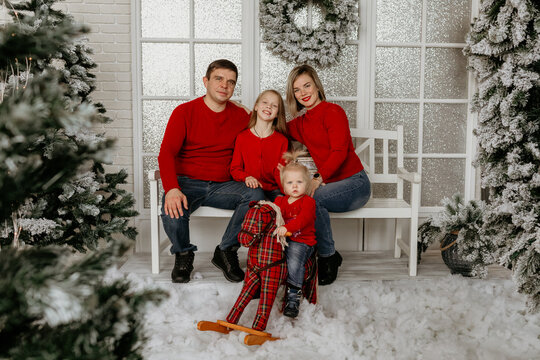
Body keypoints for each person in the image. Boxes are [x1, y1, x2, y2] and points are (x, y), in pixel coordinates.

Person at [158, 59, 264, 283]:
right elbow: (166, 153)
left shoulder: (241, 116)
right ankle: (183, 254)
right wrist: (172, 188)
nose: (225, 85)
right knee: (171, 208)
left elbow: (270, 132)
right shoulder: (184, 112)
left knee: (255, 195)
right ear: (206, 81)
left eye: (231, 82)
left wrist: (253, 113)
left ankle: (225, 251)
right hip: (188, 182)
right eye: (219, 79)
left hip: (224, 184)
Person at [285, 64, 371, 286]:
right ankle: (320, 254)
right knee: (306, 199)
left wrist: (317, 178)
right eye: (297, 89)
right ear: (292, 95)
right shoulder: (302, 123)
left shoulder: (333, 112)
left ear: (317, 86)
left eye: (307, 86)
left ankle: (327, 257)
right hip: (330, 186)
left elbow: (339, 152)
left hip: (355, 184)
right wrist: (252, 113)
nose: (303, 93)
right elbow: (276, 127)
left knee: (315, 198)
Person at [274, 151, 316, 318]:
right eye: (290, 182)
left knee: (294, 261)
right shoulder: (280, 201)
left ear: (307, 184)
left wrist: (287, 228)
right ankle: (263, 287)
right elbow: (273, 215)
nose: (295, 186)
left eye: (299, 182)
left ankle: (293, 296)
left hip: (303, 241)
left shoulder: (308, 202)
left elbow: (303, 221)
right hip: (284, 239)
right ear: (284, 185)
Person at [230, 89, 288, 201]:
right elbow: (235, 169)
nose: (268, 106)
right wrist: (246, 177)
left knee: (281, 207)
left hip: (274, 191)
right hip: (250, 189)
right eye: (265, 102)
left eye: (274, 105)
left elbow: (282, 174)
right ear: (256, 107)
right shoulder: (242, 137)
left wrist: (287, 193)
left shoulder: (282, 141)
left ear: (277, 114)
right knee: (255, 206)